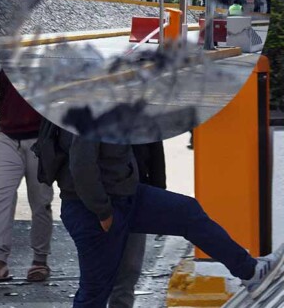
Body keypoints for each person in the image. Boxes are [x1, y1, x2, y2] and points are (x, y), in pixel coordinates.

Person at [51, 131, 283, 307]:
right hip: (93, 209)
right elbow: (81, 166)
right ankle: (250, 271)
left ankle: (251, 272)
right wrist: (102, 211)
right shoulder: (87, 105)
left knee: (186, 211)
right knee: (96, 291)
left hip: (127, 196)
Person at [0, 71, 54, 286]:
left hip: (40, 137)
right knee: (1, 197)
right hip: (7, 136)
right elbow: (6, 95)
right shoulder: (3, 53)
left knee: (41, 201)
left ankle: (40, 260)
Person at [109, 141, 167, 308]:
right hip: (97, 196)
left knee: (129, 269)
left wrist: (159, 197)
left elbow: (155, 153)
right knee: (97, 274)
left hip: (134, 194)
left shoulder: (142, 118)